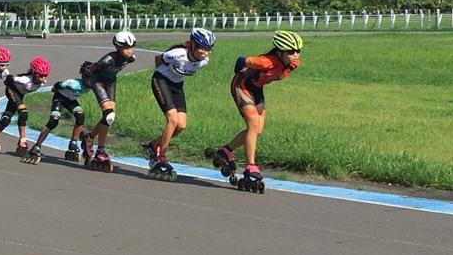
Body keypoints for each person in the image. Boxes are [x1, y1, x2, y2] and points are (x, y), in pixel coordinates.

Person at [214, 30, 303, 183]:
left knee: (258, 129)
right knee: (253, 124)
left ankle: (225, 151)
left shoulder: (294, 63)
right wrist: (245, 72)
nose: (295, 54)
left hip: (257, 88)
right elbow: (241, 60)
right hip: (242, 85)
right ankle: (251, 166)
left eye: (298, 51)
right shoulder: (265, 61)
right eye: (291, 51)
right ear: (280, 52)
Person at [143, 27, 215, 178]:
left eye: (208, 49)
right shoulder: (176, 54)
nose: (205, 53)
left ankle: (154, 144)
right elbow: (158, 58)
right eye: (202, 48)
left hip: (176, 85)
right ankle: (162, 157)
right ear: (193, 45)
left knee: (181, 125)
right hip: (161, 80)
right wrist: (163, 74)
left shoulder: (203, 62)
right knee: (172, 120)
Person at [80, 31, 137, 169]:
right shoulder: (108, 59)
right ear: (117, 47)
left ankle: (89, 137)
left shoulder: (130, 58)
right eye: (126, 47)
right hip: (98, 81)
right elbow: (90, 69)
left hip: (111, 82)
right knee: (108, 113)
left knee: (110, 117)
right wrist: (86, 80)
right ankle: (101, 149)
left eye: (131, 47)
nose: (129, 51)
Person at [22, 61, 93, 164]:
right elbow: (58, 85)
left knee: (80, 116)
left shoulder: (93, 85)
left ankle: (73, 142)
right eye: (89, 79)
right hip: (60, 98)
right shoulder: (73, 84)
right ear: (83, 77)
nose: (91, 82)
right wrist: (54, 89)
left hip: (70, 100)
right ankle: (37, 145)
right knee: (53, 121)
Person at [0, 56, 51, 155]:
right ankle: (23, 139)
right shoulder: (25, 80)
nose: (43, 78)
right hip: (12, 90)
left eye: (45, 75)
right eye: (40, 75)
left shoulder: (43, 82)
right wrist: (9, 80)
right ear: (34, 73)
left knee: (7, 118)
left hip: (20, 94)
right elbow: (10, 79)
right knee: (23, 112)